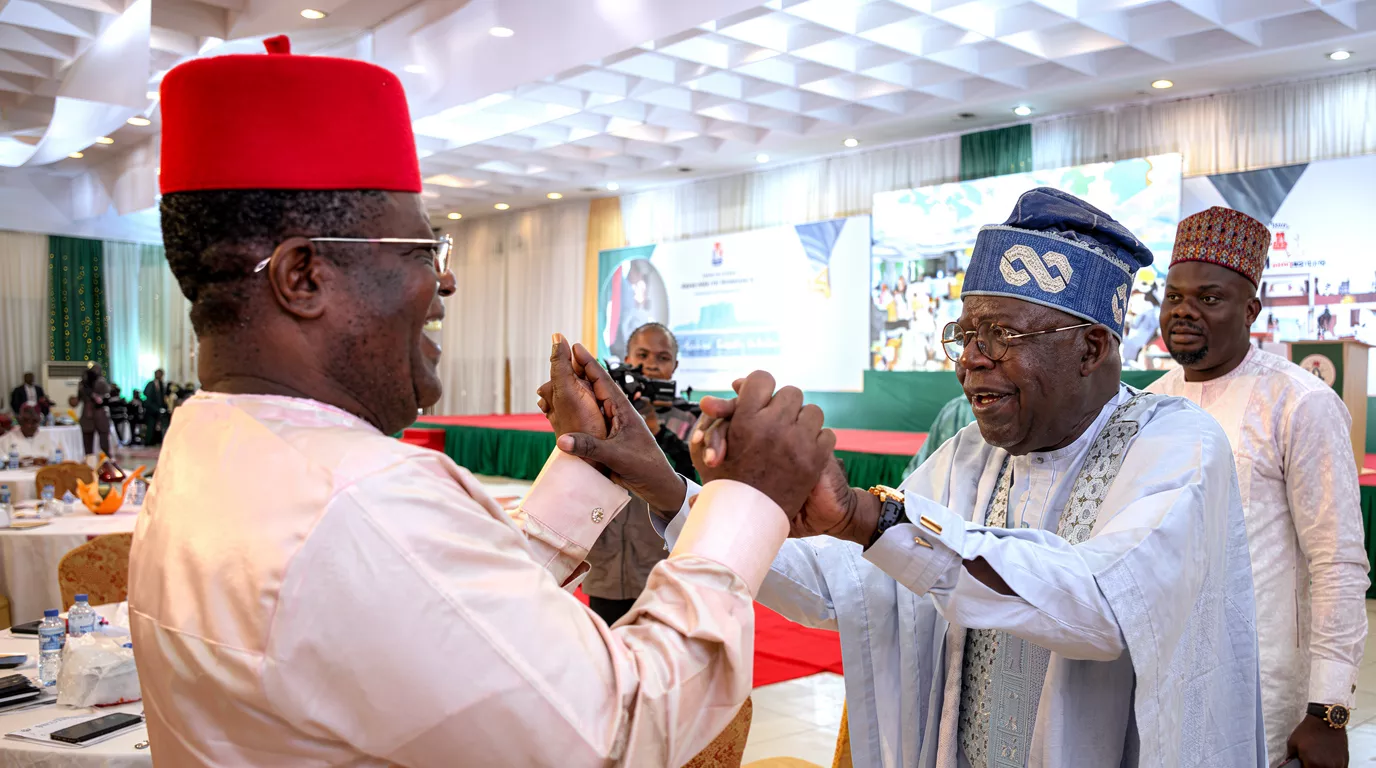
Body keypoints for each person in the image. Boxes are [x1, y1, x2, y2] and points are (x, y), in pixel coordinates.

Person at [128, 36, 835, 767]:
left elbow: (443, 616)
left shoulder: (209, 451)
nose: (447, 284)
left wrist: (589, 463)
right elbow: (620, 728)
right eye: (419, 253)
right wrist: (750, 499)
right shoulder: (363, 500)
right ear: (303, 277)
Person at [564, 188, 1265, 767]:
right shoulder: (968, 455)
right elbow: (842, 590)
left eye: (1003, 337)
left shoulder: (1178, 445)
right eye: (966, 336)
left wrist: (872, 520)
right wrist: (667, 487)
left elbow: (1104, 608)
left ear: (1090, 347)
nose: (972, 362)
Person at [1148, 206, 1369, 768]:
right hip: (1162, 681)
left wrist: (1328, 710)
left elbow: (1338, 564)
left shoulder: (1301, 403)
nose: (1184, 312)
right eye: (1174, 296)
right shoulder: (1148, 404)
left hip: (1264, 693)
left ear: (1251, 310)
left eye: (1209, 298)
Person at [577, 323, 696, 626]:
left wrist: (658, 431)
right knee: (608, 649)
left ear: (675, 366)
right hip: (608, 559)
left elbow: (694, 478)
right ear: (627, 358)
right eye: (642, 354)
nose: (651, 364)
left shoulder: (691, 418)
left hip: (663, 561)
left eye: (662, 357)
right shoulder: (603, 412)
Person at [77, 363, 111, 457]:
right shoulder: (83, 384)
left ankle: (105, 461)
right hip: (88, 415)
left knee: (104, 443)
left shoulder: (101, 382)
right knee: (88, 444)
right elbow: (78, 399)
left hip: (99, 414)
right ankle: (90, 462)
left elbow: (106, 397)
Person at [143, 369, 170, 445]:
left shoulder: (161, 384)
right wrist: (156, 408)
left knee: (159, 426)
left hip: (159, 409)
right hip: (151, 409)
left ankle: (156, 441)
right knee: (151, 426)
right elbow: (148, 397)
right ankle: (149, 442)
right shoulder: (151, 384)